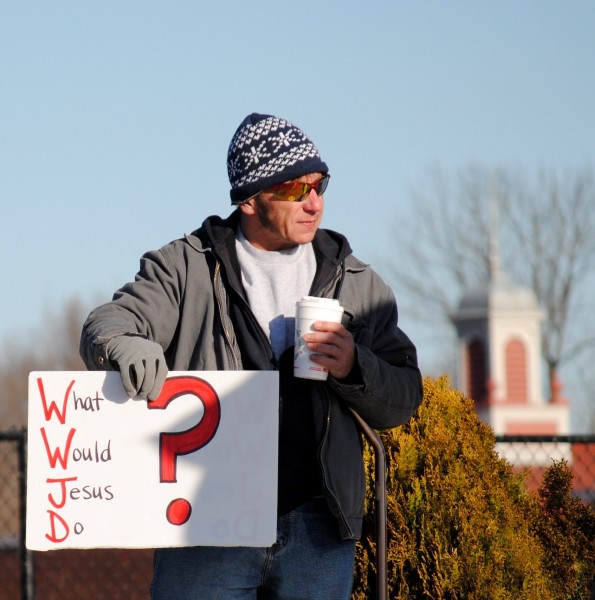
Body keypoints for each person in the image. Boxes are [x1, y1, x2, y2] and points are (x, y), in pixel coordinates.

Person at [80, 112, 423, 599]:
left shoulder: (358, 282)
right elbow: (107, 323)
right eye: (293, 189)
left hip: (317, 524)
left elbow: (406, 394)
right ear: (248, 199)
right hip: (206, 524)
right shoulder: (186, 266)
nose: (314, 202)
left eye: (320, 184)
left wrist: (353, 367)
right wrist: (127, 345)